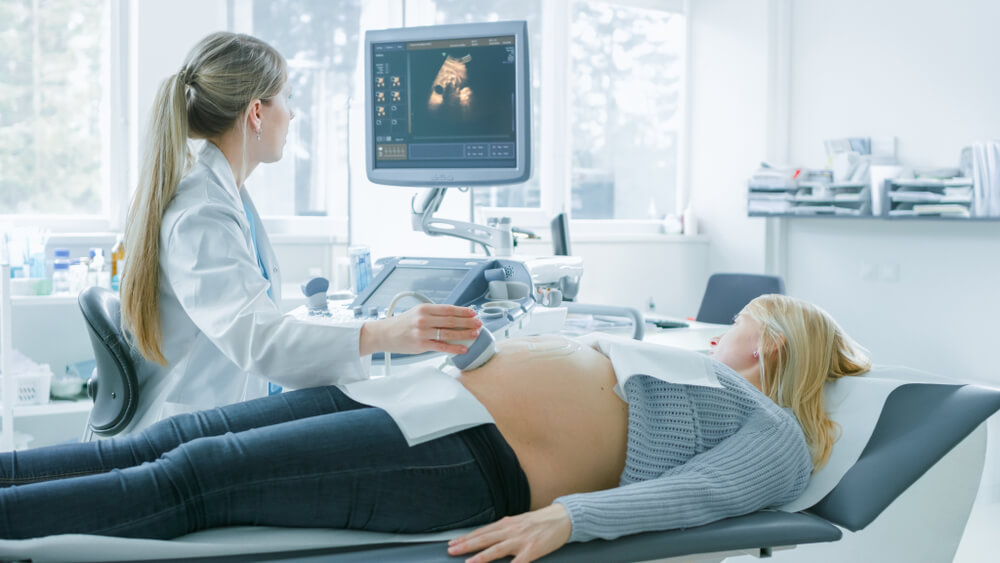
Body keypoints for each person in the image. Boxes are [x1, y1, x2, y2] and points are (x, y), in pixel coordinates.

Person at [0, 295, 870, 562]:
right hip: (419, 399)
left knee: (193, 477)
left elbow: (699, 496)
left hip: (474, 457)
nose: (724, 330)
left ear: (779, 337)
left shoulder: (776, 432)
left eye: (741, 323)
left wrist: (573, 517)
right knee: (160, 443)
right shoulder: (685, 358)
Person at [118, 31, 479, 430]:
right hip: (184, 438)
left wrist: (364, 332)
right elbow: (260, 341)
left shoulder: (222, 194)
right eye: (287, 98)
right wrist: (382, 334)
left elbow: (257, 323)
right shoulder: (202, 213)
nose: (291, 114)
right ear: (256, 112)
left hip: (214, 420)